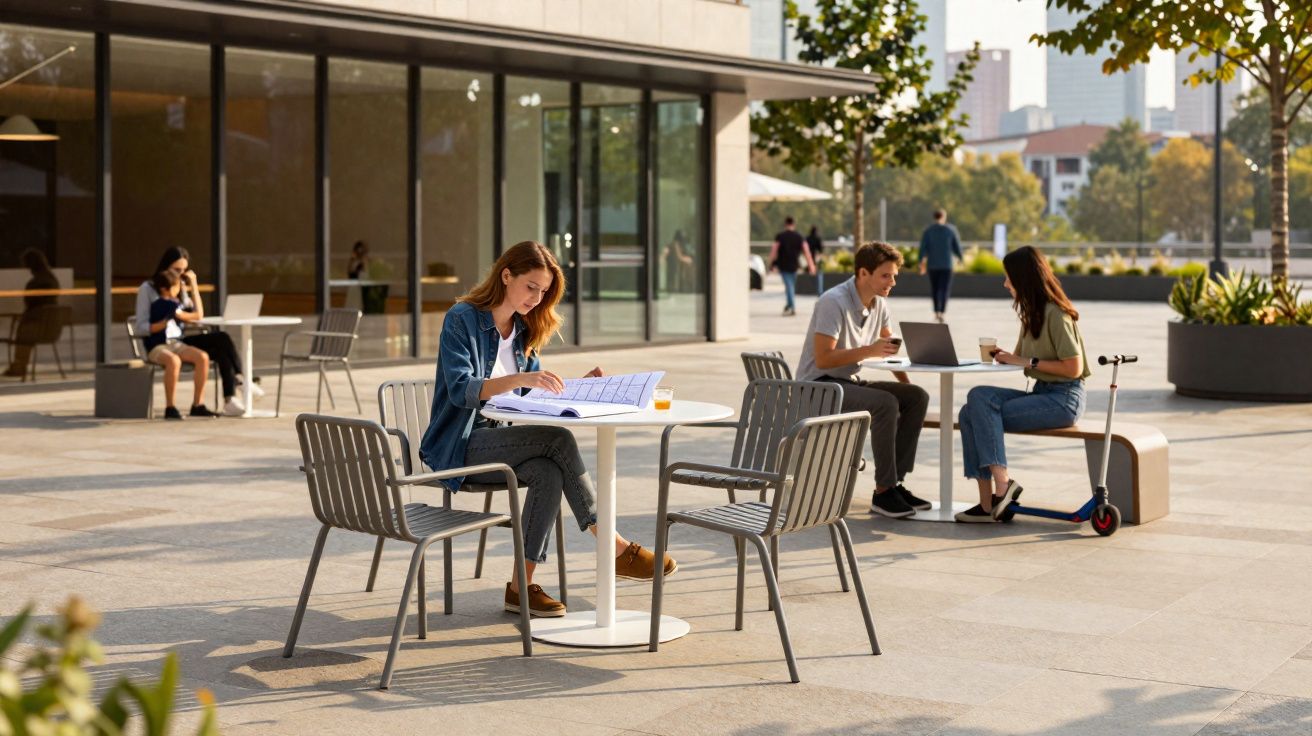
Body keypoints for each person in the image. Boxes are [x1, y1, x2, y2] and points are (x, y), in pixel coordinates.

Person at [418, 240, 676, 618]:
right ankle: (615, 547)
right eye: (531, 287)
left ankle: (520, 588)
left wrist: (576, 387)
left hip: (502, 440)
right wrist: (521, 377)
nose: (537, 299)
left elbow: (531, 398)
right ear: (507, 275)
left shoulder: (523, 330)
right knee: (558, 439)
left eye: (543, 292)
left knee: (547, 469)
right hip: (459, 445)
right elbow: (461, 389)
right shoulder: (463, 318)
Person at [954, 245, 1091, 523]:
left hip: (1063, 400)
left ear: (1024, 278)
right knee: (971, 409)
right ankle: (986, 504)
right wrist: (1006, 357)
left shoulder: (1056, 314)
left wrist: (1028, 361)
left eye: (1009, 277)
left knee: (978, 404)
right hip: (1042, 394)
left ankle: (1002, 488)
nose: (1005, 284)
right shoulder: (1032, 313)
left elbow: (1073, 367)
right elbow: (1025, 360)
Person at [795, 241, 931, 519]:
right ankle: (883, 492)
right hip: (818, 387)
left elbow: (887, 348)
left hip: (846, 383)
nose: (892, 282)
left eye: (894, 276)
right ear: (863, 273)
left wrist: (906, 384)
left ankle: (895, 483)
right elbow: (823, 359)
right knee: (884, 403)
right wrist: (869, 350)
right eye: (885, 275)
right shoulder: (833, 301)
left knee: (916, 396)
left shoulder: (880, 304)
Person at [134, 246, 261, 416]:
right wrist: (166, 321)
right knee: (214, 349)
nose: (181, 275)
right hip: (158, 342)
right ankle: (238, 385)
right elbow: (141, 326)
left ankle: (230, 390)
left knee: (221, 341)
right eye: (177, 270)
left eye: (184, 271)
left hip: (178, 340)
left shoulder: (180, 287)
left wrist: (193, 285)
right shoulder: (148, 288)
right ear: (166, 267)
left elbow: (197, 314)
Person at [142, 270, 220, 420]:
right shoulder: (164, 305)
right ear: (165, 289)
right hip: (158, 346)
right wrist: (166, 322)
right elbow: (195, 316)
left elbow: (193, 315)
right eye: (176, 287)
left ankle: (198, 404)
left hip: (175, 343)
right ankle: (170, 407)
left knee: (202, 357)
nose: (178, 290)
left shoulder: (173, 304)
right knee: (174, 361)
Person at [4, 249, 60, 378]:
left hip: (38, 325)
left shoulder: (37, 283)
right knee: (25, 330)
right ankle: (19, 365)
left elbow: (30, 303)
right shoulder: (51, 280)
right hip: (49, 326)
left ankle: (19, 365)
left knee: (24, 333)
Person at [918, 209, 964, 323]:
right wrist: (961, 258)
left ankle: (936, 311)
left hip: (932, 265)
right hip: (947, 265)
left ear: (934, 217)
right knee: (944, 289)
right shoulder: (950, 230)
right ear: (944, 217)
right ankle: (942, 312)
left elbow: (923, 248)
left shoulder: (928, 231)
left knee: (935, 289)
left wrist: (921, 262)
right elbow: (956, 247)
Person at [769, 216, 816, 316]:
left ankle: (791, 307)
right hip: (794, 265)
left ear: (785, 224)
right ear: (794, 224)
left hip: (783, 265)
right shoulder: (799, 236)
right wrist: (811, 265)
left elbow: (774, 251)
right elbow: (807, 252)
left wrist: (771, 263)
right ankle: (789, 305)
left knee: (789, 286)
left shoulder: (780, 236)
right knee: (790, 286)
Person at [806, 225, 825, 294]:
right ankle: (820, 291)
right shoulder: (818, 238)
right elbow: (821, 250)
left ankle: (808, 290)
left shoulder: (807, 238)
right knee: (819, 275)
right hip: (817, 258)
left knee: (809, 274)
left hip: (809, 258)